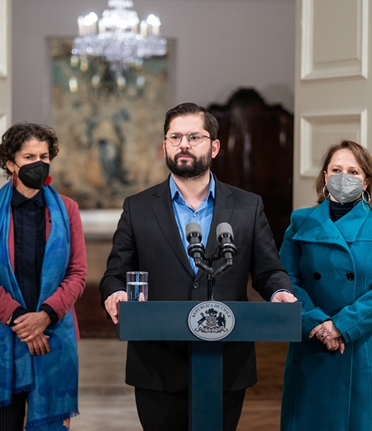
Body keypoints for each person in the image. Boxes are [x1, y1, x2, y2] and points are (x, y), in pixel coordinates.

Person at [99, 102, 297, 431]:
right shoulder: (138, 208)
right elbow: (115, 274)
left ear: (214, 146)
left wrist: (280, 291)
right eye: (175, 137)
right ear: (164, 146)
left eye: (194, 136)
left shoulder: (248, 206)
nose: (184, 144)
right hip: (157, 365)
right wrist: (116, 293)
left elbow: (268, 271)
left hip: (225, 363)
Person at [279, 140, 372, 430]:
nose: (343, 178)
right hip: (312, 340)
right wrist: (317, 322)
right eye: (336, 170)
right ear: (325, 177)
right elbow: (286, 280)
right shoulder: (300, 221)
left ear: (366, 182)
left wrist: (340, 326)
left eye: (353, 171)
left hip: (360, 344)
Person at [0, 122, 86, 430]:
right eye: (29, 157)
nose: (39, 163)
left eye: (44, 156)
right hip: (4, 336)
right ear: (10, 163)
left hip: (53, 336)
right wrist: (23, 322)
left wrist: (45, 317)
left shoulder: (68, 210)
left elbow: (77, 273)